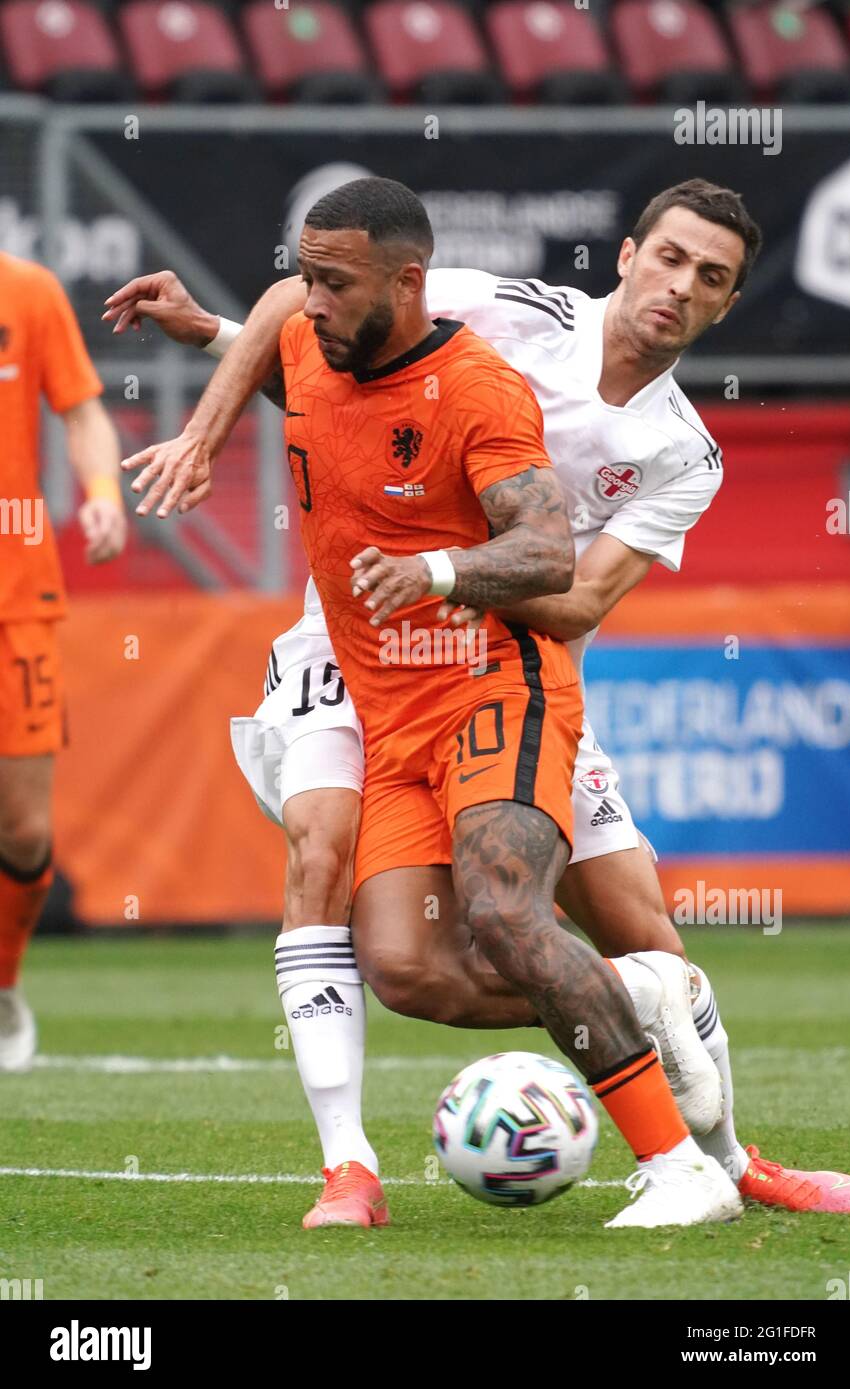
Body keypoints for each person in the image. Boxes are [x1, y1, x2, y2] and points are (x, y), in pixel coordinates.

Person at [120, 176, 748, 1232]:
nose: (679, 287)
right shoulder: (518, 314)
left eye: (711, 278)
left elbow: (577, 590)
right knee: (337, 874)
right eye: (671, 258)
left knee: (620, 919)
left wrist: (446, 574)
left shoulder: (681, 450)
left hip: (500, 650)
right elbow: (329, 315)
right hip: (355, 640)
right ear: (629, 253)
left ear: (726, 304)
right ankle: (348, 1168)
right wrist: (210, 382)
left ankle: (722, 1155)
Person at [0, 251, 127, 1069]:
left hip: (17, 597)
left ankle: (4, 986)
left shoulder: (29, 290)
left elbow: (81, 412)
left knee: (24, 827)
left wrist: (102, 494)